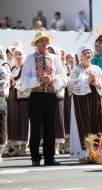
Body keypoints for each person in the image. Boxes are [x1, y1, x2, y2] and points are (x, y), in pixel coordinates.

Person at [21, 31, 67, 166]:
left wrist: (52, 80)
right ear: (36, 44)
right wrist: (39, 80)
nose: (45, 43)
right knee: (35, 128)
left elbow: (63, 76)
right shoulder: (30, 59)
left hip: (50, 96)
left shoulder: (55, 58)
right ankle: (35, 157)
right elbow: (25, 79)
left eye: (46, 40)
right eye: (42, 41)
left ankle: (49, 157)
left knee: (50, 128)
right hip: (36, 97)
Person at [68, 45, 102, 163]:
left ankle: (95, 153)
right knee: (82, 124)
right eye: (85, 53)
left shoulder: (97, 69)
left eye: (89, 53)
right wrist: (87, 81)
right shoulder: (76, 70)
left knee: (95, 124)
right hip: (80, 102)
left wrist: (97, 83)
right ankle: (83, 153)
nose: (87, 55)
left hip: (94, 100)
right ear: (80, 56)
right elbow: (71, 85)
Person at [7, 47, 29, 157]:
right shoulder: (12, 69)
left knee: (23, 122)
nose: (17, 56)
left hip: (23, 99)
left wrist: (14, 81)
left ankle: (23, 148)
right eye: (15, 54)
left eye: (19, 54)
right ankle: (15, 148)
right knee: (13, 122)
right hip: (12, 98)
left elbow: (25, 83)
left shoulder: (25, 69)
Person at [47, 45, 66, 155]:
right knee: (48, 122)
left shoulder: (61, 66)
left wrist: (53, 82)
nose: (50, 54)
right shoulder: (45, 65)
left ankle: (56, 146)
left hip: (57, 96)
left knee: (57, 121)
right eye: (48, 51)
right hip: (47, 95)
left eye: (52, 52)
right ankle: (48, 145)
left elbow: (64, 81)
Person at [0, 45, 10, 163]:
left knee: (1, 125)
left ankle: (0, 153)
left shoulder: (2, 69)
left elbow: (2, 84)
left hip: (0, 99)